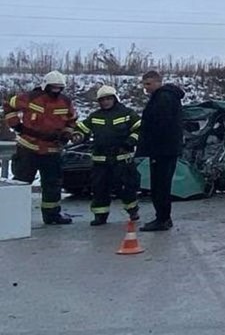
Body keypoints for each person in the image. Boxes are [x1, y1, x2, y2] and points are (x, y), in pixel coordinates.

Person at [2, 71, 77, 224]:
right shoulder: (30, 97)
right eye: (53, 88)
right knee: (21, 184)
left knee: (53, 185)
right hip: (28, 148)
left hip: (52, 150)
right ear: (45, 86)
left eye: (59, 88)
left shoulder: (65, 102)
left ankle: (52, 216)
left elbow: (72, 120)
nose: (56, 91)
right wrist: (16, 125)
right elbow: (8, 105)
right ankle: (13, 218)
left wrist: (67, 134)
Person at [73, 86, 141, 226]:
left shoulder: (128, 114)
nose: (106, 102)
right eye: (102, 100)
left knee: (127, 187)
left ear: (115, 98)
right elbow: (82, 128)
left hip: (122, 159)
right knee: (99, 188)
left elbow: (141, 129)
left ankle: (132, 210)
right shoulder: (95, 116)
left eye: (108, 98)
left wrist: (131, 141)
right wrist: (78, 135)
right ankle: (100, 215)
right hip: (101, 160)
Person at [136, 71, 184, 232]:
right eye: (144, 84)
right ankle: (163, 218)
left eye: (148, 84)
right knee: (160, 185)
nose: (145, 87)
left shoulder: (163, 98)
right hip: (165, 149)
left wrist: (150, 143)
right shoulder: (165, 97)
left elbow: (160, 125)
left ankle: (162, 219)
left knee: (160, 185)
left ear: (158, 82)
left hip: (162, 149)